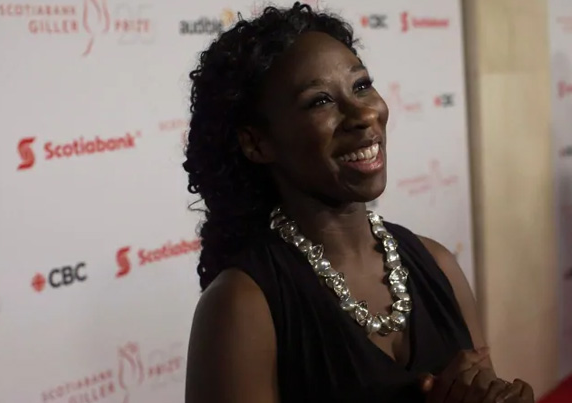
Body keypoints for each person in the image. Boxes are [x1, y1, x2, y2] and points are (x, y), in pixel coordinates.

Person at [183, 3, 534, 402]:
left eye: (361, 86)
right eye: (319, 101)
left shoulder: (437, 263)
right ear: (257, 143)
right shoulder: (242, 305)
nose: (363, 113)